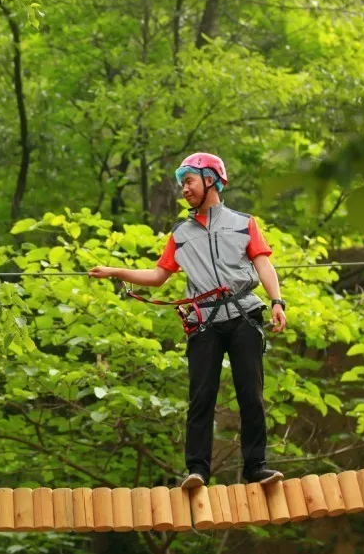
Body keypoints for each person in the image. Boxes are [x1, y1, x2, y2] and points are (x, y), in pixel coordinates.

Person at [89, 152, 288, 488]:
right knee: (201, 397)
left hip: (243, 315)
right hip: (205, 321)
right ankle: (198, 470)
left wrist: (277, 301)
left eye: (190, 181)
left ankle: (256, 467)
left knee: (250, 395)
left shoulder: (243, 223)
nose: (184, 189)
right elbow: (157, 276)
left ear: (210, 180)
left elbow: (264, 263)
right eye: (182, 183)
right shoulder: (181, 233)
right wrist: (114, 271)